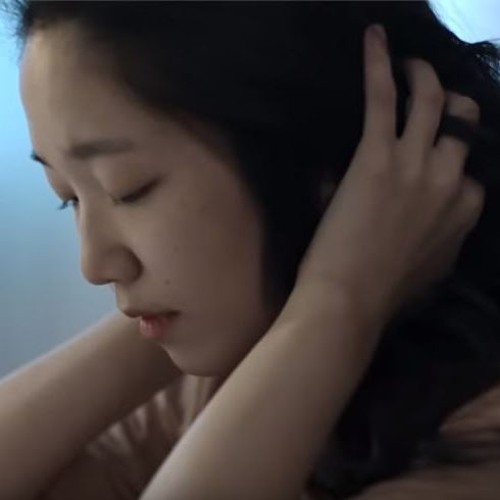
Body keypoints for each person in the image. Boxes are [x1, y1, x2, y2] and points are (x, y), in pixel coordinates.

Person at [1, 1, 500, 498]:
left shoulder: (480, 444)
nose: (94, 265)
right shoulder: (229, 368)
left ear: (330, 160)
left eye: (128, 188)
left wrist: (338, 299)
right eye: (68, 197)